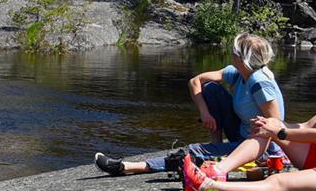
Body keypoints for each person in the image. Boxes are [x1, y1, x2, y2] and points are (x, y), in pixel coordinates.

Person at [176, 37, 316, 191]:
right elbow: (308, 127)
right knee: (265, 127)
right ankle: (219, 171)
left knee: (277, 182)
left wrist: (279, 132)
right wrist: (271, 126)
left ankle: (205, 186)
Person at [93, 33, 284, 176]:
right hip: (242, 134)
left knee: (195, 152)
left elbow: (276, 123)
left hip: (259, 147)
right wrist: (205, 113)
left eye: (233, 52)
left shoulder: (259, 82)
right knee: (210, 88)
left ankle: (128, 167)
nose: (230, 55)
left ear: (242, 58)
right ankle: (216, 146)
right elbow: (196, 81)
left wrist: (261, 156)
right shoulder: (238, 73)